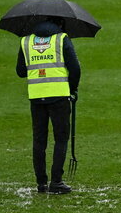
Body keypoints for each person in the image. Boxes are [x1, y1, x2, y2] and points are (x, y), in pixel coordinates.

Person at [16, 18, 81, 194]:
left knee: (39, 140)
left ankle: (41, 183)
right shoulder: (61, 39)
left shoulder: (26, 40)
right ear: (60, 24)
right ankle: (56, 182)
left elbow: (20, 71)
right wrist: (72, 88)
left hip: (36, 95)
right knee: (61, 139)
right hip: (59, 95)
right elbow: (75, 68)